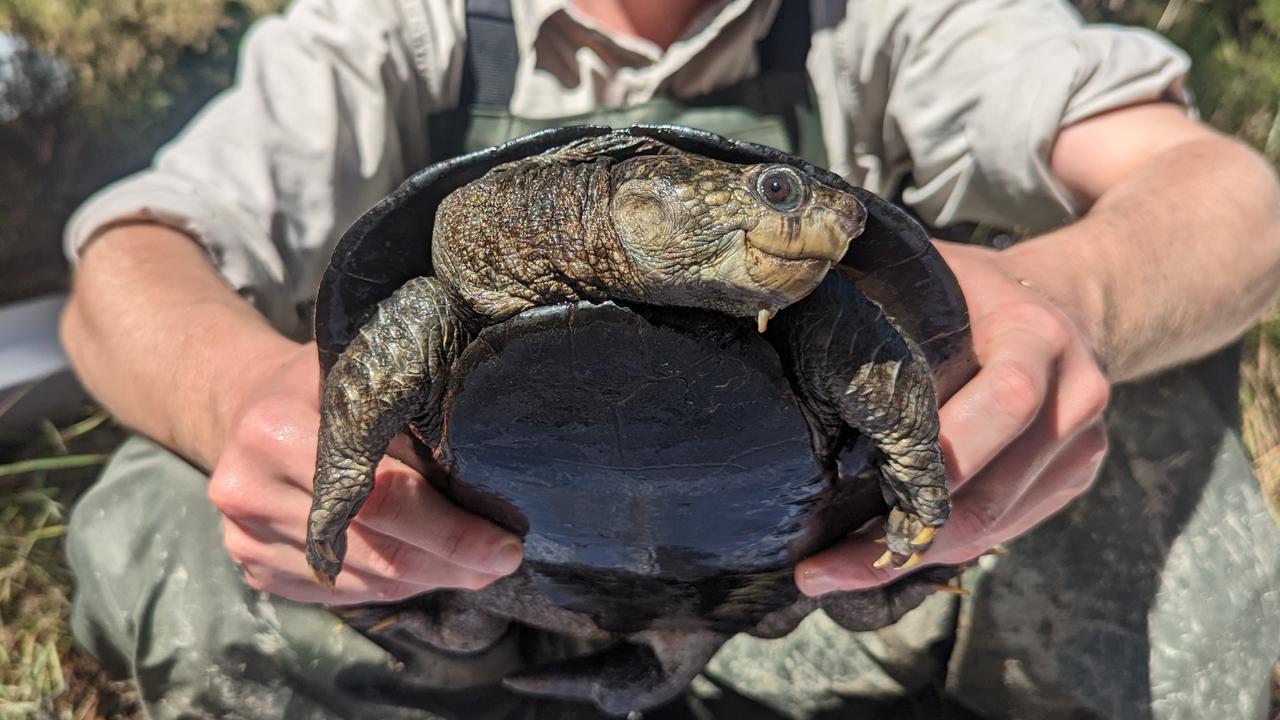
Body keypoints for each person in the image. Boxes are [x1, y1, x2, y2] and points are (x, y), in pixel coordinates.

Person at [59, 0, 1280, 718]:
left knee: (1146, 443)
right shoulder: (398, 25)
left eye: (790, 201)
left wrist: (1068, 296)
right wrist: (239, 399)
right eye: (766, 199)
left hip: (815, 602)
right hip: (462, 599)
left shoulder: (892, 20)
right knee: (162, 512)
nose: (806, 221)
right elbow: (124, 262)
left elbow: (1230, 197)